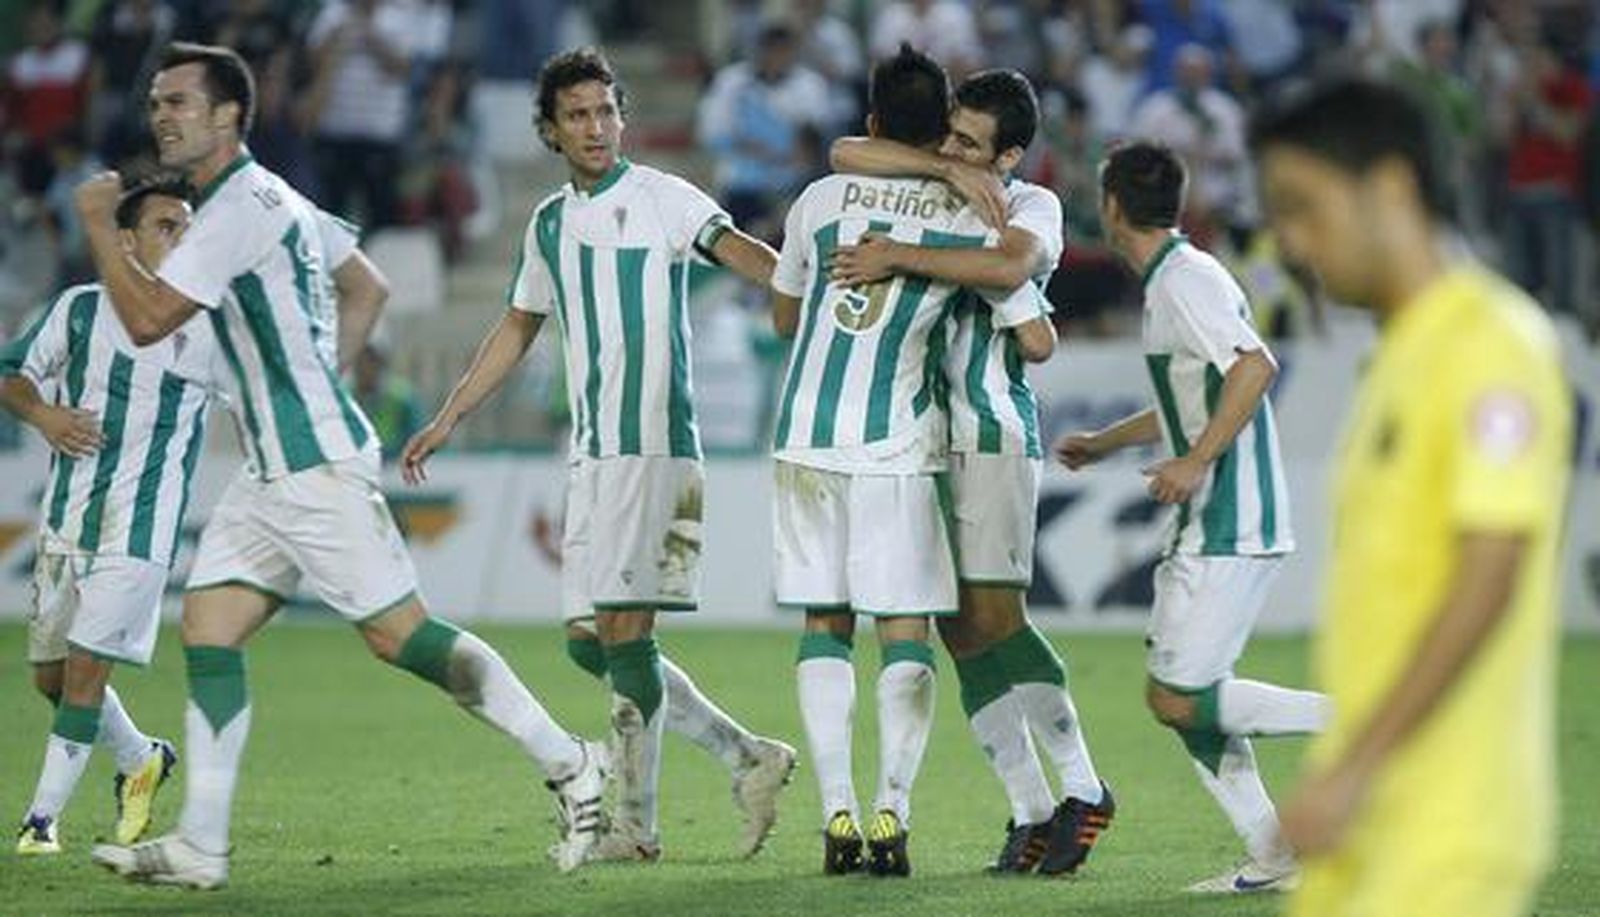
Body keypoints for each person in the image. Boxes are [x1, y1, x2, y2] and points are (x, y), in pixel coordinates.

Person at [76, 42, 607, 888]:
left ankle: (573, 761)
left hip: (312, 463)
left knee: (403, 637)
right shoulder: (275, 196)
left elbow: (146, 321)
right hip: (272, 468)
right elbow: (367, 284)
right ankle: (201, 842)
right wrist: (319, 373)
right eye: (156, 103)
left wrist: (102, 227)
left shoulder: (235, 210)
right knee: (208, 627)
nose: (160, 116)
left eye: (178, 101)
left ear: (227, 115)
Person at [401, 46, 796, 864]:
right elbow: (518, 325)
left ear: (622, 117)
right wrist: (447, 416)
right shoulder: (548, 223)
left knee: (623, 631)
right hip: (591, 454)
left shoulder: (662, 197)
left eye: (606, 110)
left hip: (653, 446)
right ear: (550, 130)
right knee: (591, 641)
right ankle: (747, 755)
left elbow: (742, 254)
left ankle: (635, 828)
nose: (595, 127)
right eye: (577, 115)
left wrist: (804, 290)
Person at [1252, 77, 1570, 917]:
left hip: (1445, 832)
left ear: (1391, 187)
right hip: (1367, 827)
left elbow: (1491, 569)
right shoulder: (1400, 353)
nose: (1290, 241)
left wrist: (1356, 768)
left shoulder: (1490, 343)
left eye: (1302, 206)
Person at [770, 44, 1051, 878]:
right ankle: (893, 809)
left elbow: (784, 317)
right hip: (898, 444)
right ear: (942, 133)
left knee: (825, 623)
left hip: (805, 437)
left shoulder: (818, 199)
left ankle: (836, 811)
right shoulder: (969, 217)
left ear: (872, 122)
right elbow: (1035, 333)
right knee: (905, 631)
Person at [827, 68, 1113, 876]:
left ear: (1009, 156)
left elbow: (1019, 284)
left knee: (997, 615)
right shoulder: (939, 192)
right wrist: (941, 170)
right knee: (957, 629)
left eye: (969, 143)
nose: (951, 150)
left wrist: (896, 256)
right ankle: (1030, 809)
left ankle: (1085, 786)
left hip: (990, 434)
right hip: (922, 439)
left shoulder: (1031, 205)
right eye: (948, 134)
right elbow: (845, 151)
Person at [1055, 140, 1328, 893]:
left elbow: (1255, 366)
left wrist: (1197, 460)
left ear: (1112, 206)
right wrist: (1106, 443)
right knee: (1178, 700)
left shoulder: (1185, 281)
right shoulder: (1176, 279)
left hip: (1231, 512)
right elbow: (1194, 398)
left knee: (1181, 696)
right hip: (1213, 514)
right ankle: (1274, 857)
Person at [4, 178, 200, 856]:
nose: (183, 239)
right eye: (167, 226)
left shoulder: (207, 322)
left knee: (86, 671)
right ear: (126, 240)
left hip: (141, 528)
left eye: (188, 227)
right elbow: (11, 373)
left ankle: (40, 822)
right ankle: (141, 756)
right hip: (67, 520)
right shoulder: (80, 308)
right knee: (52, 679)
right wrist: (44, 414)